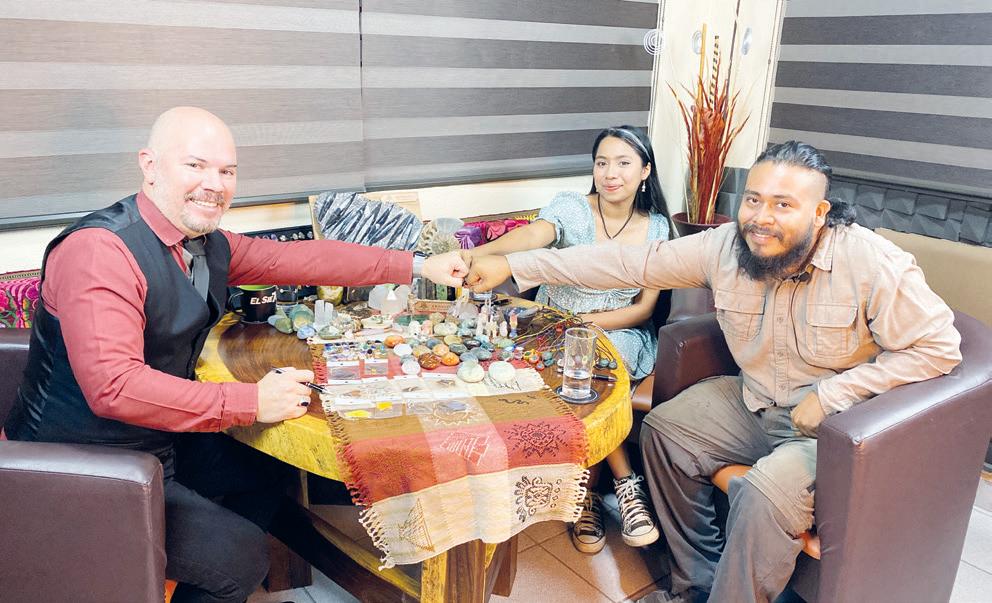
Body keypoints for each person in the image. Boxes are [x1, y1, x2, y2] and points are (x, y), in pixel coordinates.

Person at [2, 107, 468, 603]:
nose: (214, 184)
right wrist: (251, 402)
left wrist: (419, 265)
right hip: (81, 462)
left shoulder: (206, 243)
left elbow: (299, 258)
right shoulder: (100, 250)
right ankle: (212, 562)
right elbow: (114, 388)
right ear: (149, 165)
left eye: (227, 171)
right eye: (195, 165)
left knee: (269, 468)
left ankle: (195, 558)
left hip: (158, 437)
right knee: (242, 558)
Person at [464, 141, 962, 603]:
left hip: (833, 429)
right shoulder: (726, 246)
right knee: (665, 432)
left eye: (783, 205)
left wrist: (835, 394)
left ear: (819, 213)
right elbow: (627, 263)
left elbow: (940, 348)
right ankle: (696, 587)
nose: (761, 218)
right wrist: (516, 266)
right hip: (755, 399)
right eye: (753, 200)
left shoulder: (871, 261)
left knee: (766, 496)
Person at [462, 125, 666, 553]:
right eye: (602, 163)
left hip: (617, 330)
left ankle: (588, 495)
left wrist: (587, 325)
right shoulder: (572, 207)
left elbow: (644, 308)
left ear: (646, 170)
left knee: (587, 368)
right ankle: (622, 485)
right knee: (571, 370)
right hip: (553, 326)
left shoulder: (657, 229)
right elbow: (533, 236)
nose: (610, 173)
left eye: (623, 163)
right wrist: (477, 255)